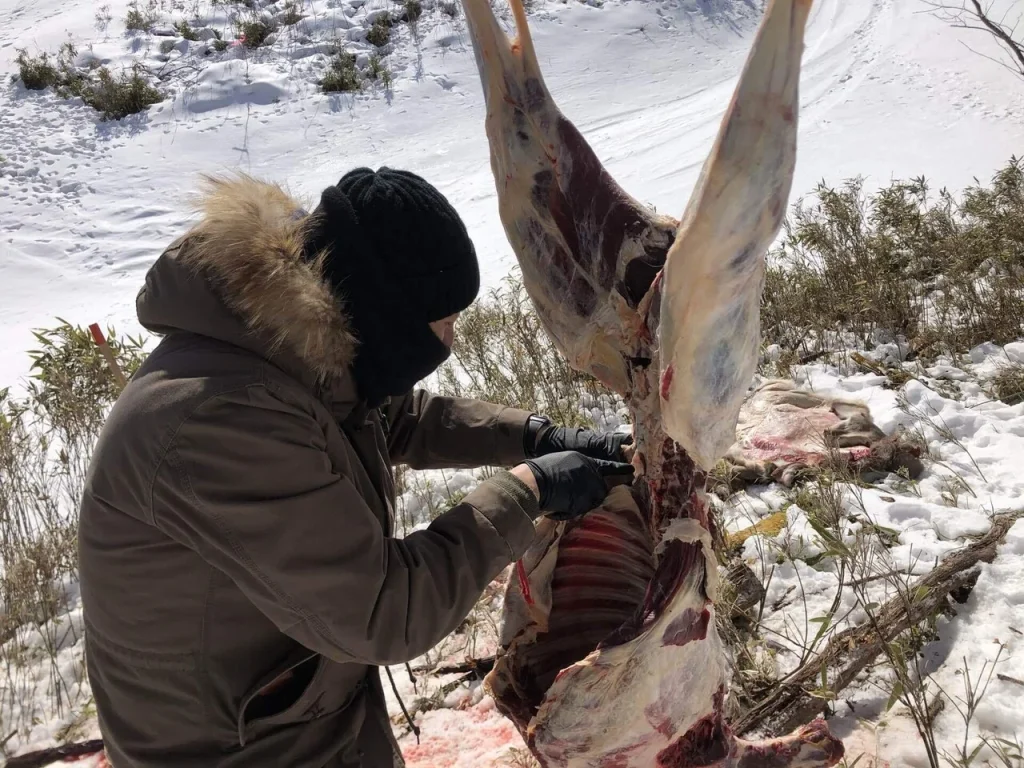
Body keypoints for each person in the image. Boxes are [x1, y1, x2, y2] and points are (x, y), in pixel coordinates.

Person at [78, 167, 634, 768]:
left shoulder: (281, 347)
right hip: (234, 752)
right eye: (443, 323)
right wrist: (530, 490)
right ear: (383, 313)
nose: (450, 343)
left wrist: (532, 437)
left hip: (294, 713)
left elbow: (394, 415)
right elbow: (384, 611)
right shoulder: (221, 420)